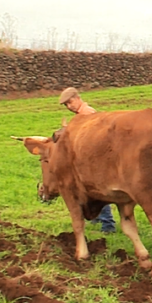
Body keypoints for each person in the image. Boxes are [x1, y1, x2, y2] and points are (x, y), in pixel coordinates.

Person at [59, 87, 116, 234]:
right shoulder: (81, 115)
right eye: (66, 105)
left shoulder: (88, 113)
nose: (69, 106)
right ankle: (98, 220)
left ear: (78, 98)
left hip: (95, 159)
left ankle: (108, 225)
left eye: (70, 102)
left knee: (98, 190)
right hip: (89, 159)